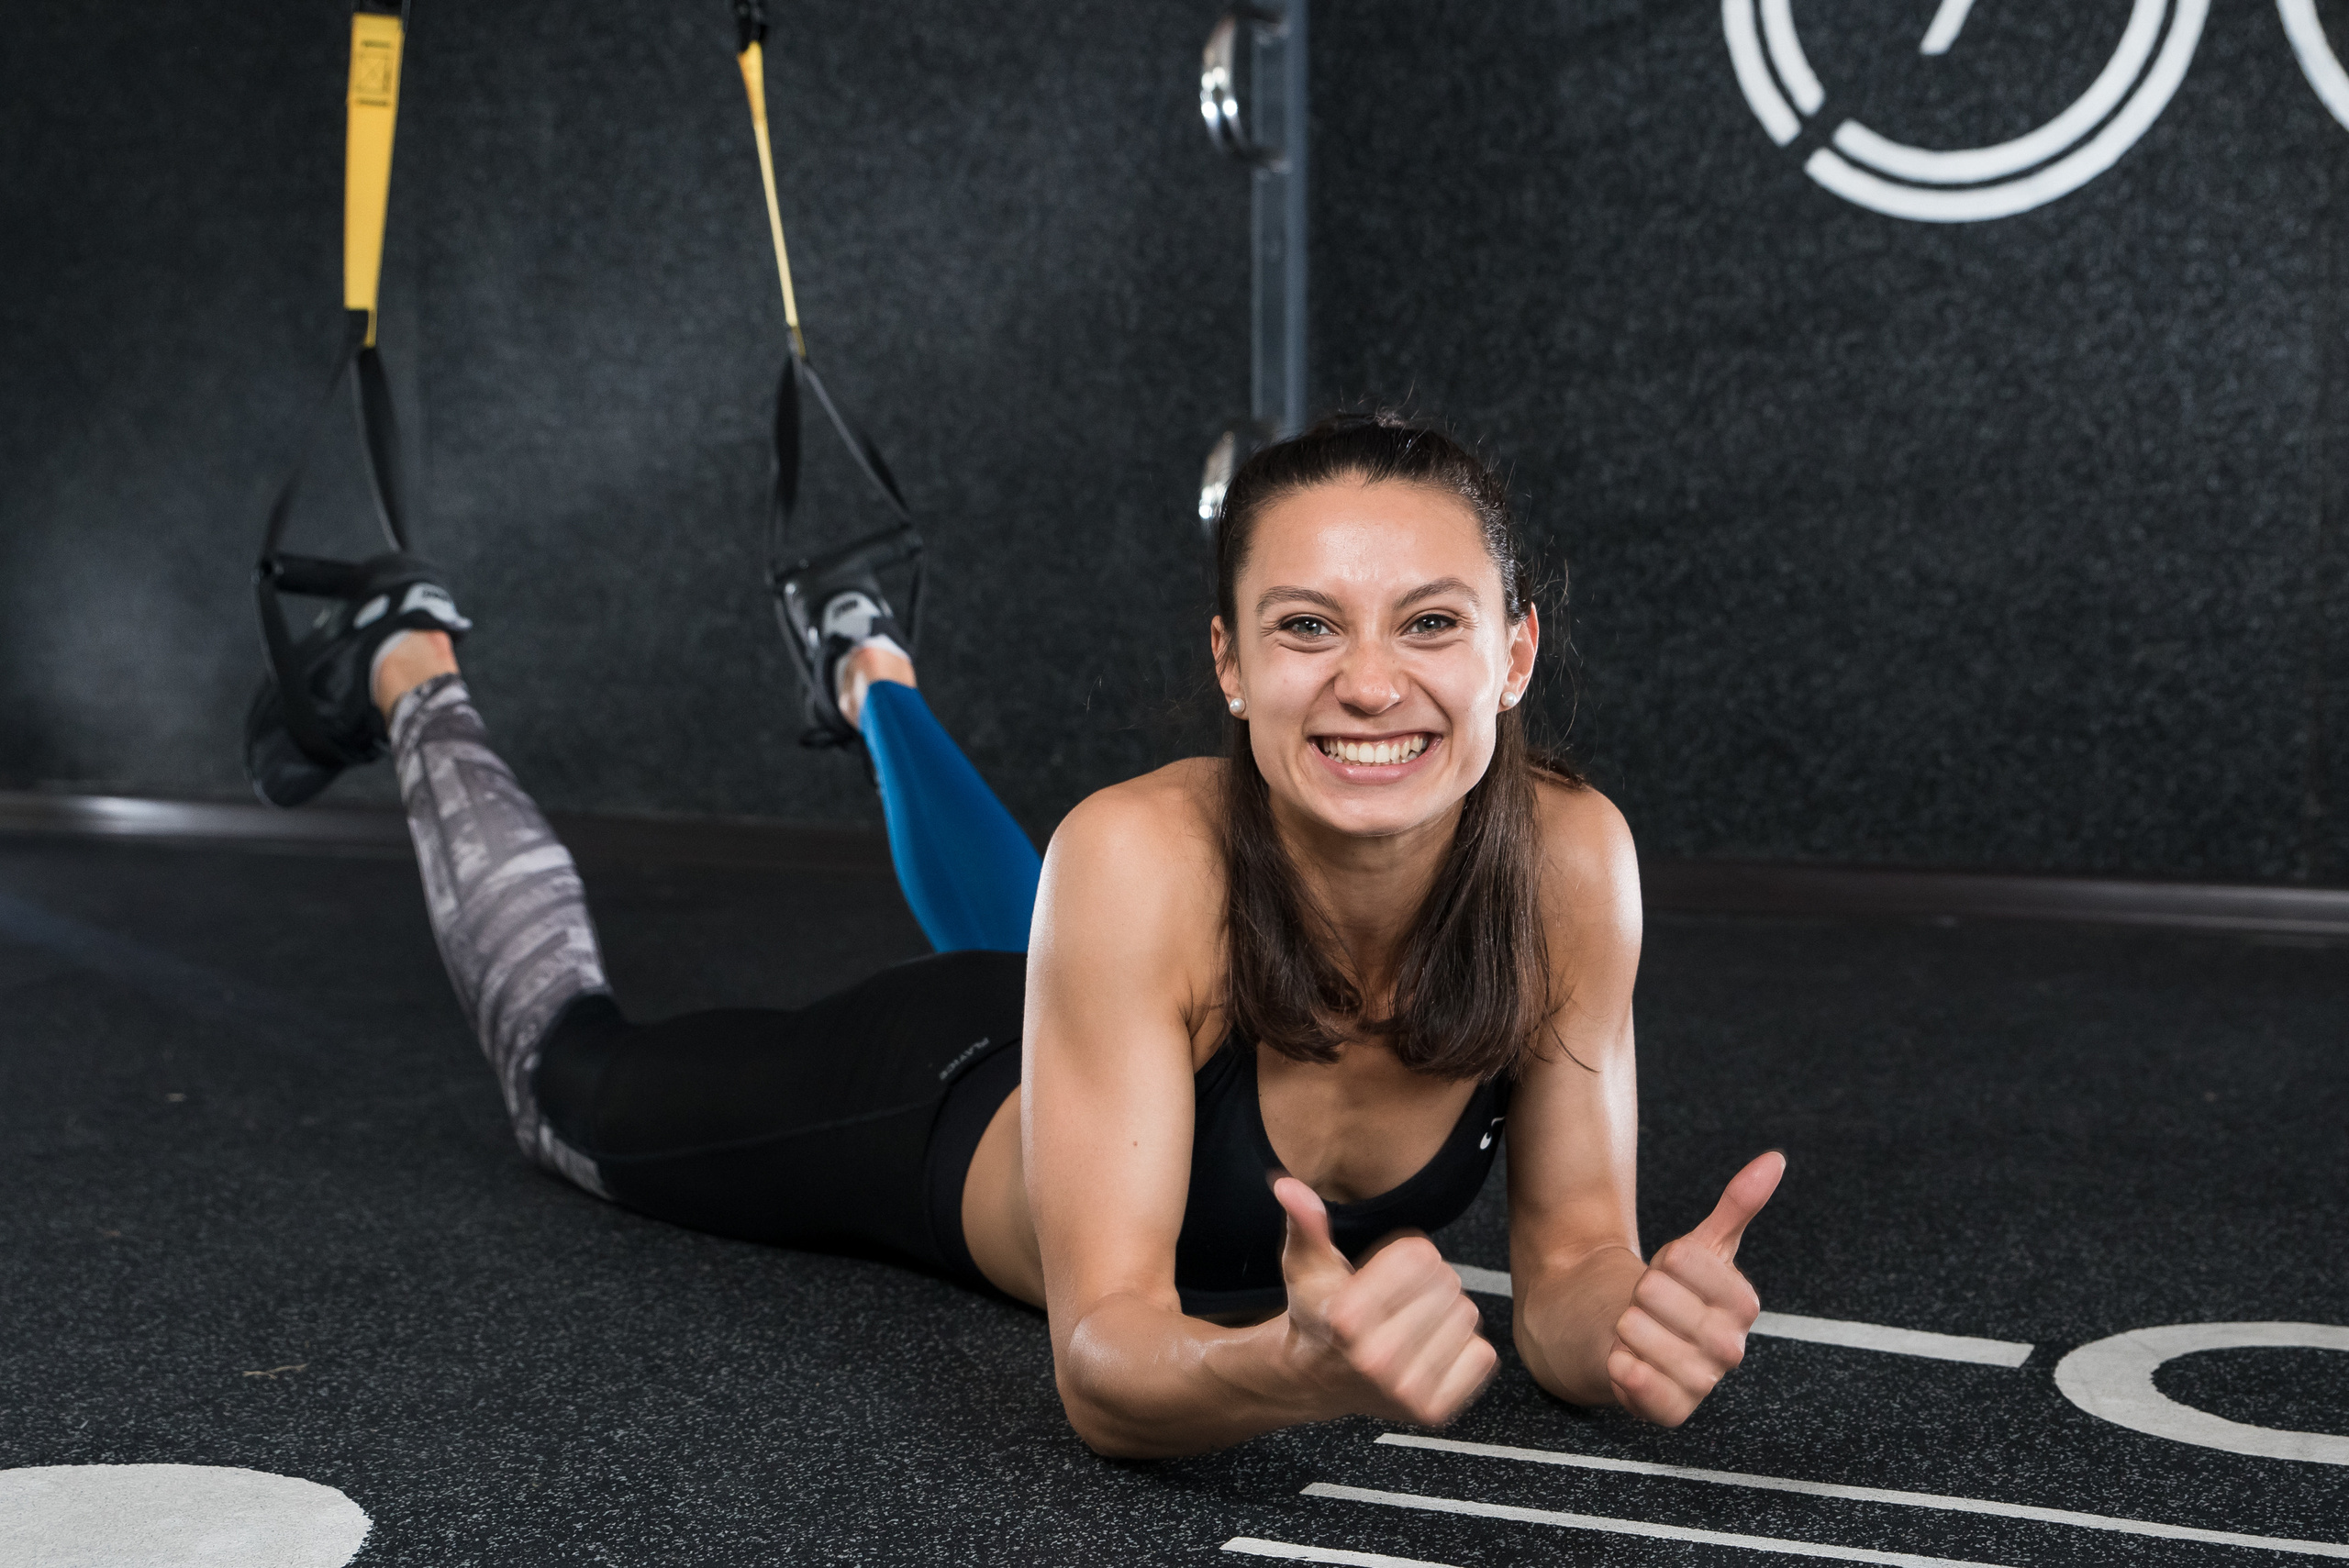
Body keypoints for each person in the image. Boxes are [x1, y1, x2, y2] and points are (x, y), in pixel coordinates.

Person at [239, 411, 1781, 1460]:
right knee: (569, 1078)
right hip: (946, 1092)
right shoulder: (1139, 858)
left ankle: (865, 661)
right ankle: (406, 666)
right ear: (1232, 665)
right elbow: (1108, 1352)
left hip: (1123, 1002)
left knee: (1049, 911)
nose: (1373, 682)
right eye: (1309, 626)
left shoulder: (1574, 856)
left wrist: (1632, 1327)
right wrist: (1283, 1372)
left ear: (1514, 651)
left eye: (1431, 622)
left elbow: (1574, 1262)